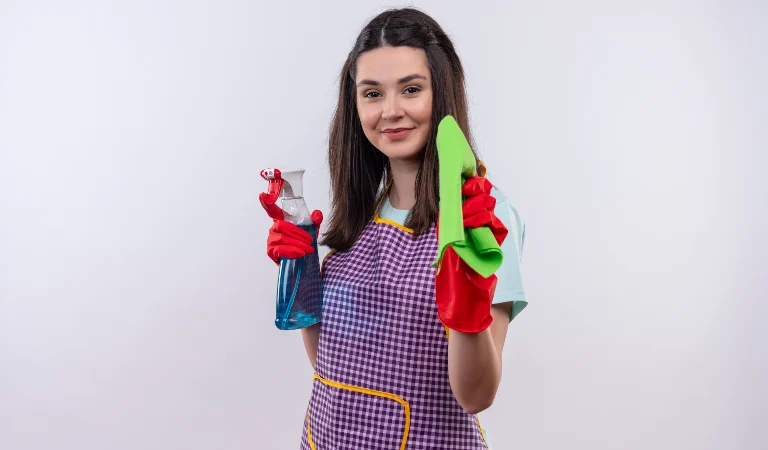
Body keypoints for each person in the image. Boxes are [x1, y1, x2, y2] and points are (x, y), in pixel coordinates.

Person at [263, 8, 527, 449]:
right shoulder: (362, 214)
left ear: (441, 93)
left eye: (410, 89)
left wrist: (467, 297)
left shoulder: (483, 213)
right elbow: (334, 369)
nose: (390, 111)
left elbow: (476, 396)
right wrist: (303, 276)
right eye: (371, 94)